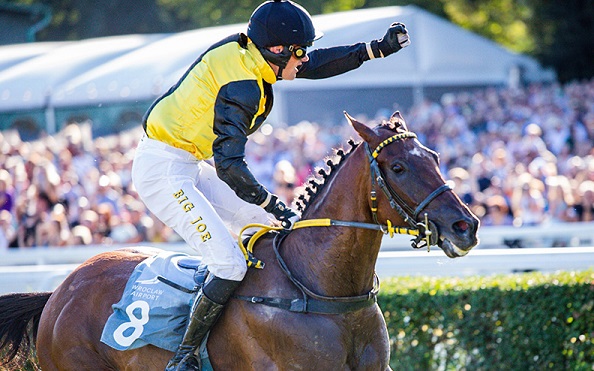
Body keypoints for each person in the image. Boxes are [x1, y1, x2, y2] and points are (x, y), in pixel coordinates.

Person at [131, 1, 411, 369]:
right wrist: (268, 200)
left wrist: (374, 49)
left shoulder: (256, 57)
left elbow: (317, 65)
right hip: (162, 171)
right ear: (278, 51)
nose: (305, 59)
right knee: (229, 264)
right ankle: (184, 357)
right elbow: (229, 164)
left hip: (188, 163)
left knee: (278, 229)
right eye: (299, 52)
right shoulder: (243, 83)